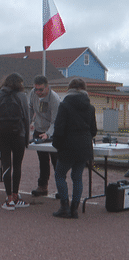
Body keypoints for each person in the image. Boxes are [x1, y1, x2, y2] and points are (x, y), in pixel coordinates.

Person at [52, 78, 97, 219]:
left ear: (69, 88)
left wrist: (57, 144)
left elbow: (59, 128)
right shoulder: (90, 107)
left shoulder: (64, 105)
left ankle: (64, 206)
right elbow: (93, 130)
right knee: (77, 177)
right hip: (84, 147)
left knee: (59, 175)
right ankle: (74, 209)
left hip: (68, 146)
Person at [0, 73, 31, 210]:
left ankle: (8, 199)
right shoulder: (22, 96)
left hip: (2, 135)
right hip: (18, 134)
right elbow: (26, 118)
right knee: (17, 165)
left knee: (6, 165)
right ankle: (15, 195)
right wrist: (27, 139)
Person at [29, 75, 61, 197]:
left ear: (47, 87)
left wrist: (47, 134)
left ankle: (60, 188)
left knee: (56, 161)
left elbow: (55, 121)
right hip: (39, 130)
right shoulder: (33, 93)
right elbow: (30, 108)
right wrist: (27, 124)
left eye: (41, 90)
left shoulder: (54, 99)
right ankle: (42, 187)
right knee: (42, 161)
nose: (38, 92)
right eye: (36, 89)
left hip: (52, 132)